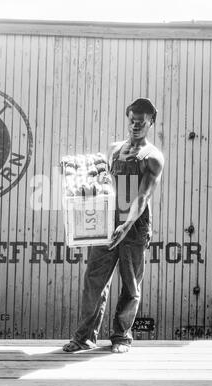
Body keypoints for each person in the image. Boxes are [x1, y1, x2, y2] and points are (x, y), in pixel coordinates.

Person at [63, 98, 164, 354]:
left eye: (141, 122)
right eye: (131, 120)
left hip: (135, 225)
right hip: (107, 223)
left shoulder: (152, 158)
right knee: (94, 281)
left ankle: (121, 336)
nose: (135, 125)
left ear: (151, 122)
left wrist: (127, 225)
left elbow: (142, 197)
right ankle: (84, 337)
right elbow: (103, 185)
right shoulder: (114, 149)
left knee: (130, 285)